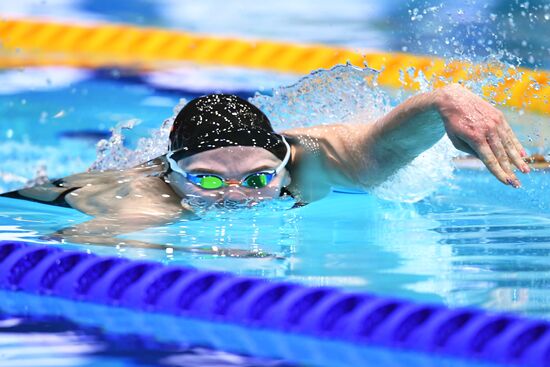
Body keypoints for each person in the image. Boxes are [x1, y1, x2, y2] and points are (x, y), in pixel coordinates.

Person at [1, 84, 530, 254]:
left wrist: (448, 100)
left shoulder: (314, 157)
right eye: (208, 179)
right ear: (174, 172)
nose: (237, 196)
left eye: (258, 178)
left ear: (281, 159)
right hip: (65, 191)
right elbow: (60, 249)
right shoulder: (149, 201)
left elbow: (385, 145)